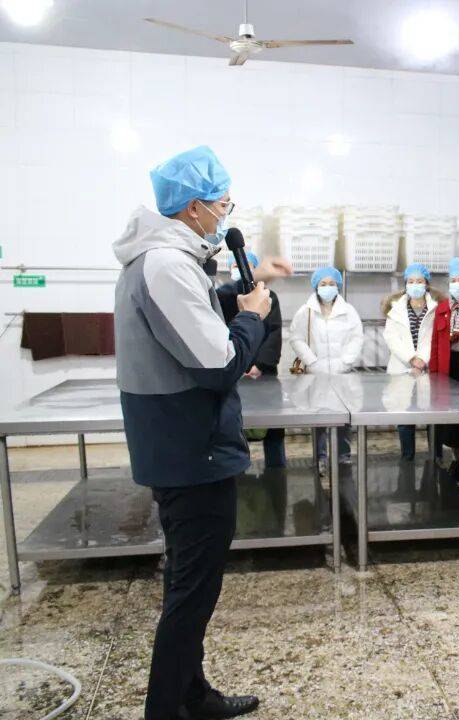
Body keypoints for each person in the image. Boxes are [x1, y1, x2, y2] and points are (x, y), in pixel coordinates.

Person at [114, 146, 291, 720]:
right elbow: (218, 364)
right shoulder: (165, 265)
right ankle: (166, 709)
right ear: (194, 208)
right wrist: (252, 315)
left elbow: (191, 312)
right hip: (190, 451)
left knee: (190, 585)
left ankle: (193, 696)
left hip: (182, 445)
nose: (225, 213)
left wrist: (241, 289)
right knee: (191, 594)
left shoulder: (163, 259)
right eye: (222, 203)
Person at [289, 266, 363, 473]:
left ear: (338, 286)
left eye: (331, 284)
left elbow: (357, 337)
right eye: (323, 284)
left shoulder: (349, 311)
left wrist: (345, 361)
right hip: (316, 373)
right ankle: (320, 457)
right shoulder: (306, 311)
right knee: (318, 417)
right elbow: (296, 338)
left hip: (342, 373)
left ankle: (343, 457)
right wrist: (312, 362)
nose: (328, 287)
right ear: (316, 286)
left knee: (344, 417)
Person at [218, 251, 286, 468]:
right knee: (236, 426)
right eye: (236, 265)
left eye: (247, 266)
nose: (240, 270)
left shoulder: (269, 297)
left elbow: (273, 333)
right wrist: (238, 365)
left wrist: (259, 364)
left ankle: (277, 469)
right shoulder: (225, 298)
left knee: (273, 426)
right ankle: (239, 471)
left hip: (263, 373)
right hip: (234, 371)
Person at [382, 263, 439, 460]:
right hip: (402, 367)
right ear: (405, 284)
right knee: (404, 414)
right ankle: (407, 455)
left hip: (427, 367)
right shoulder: (395, 308)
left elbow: (435, 337)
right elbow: (391, 337)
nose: (415, 285)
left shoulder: (436, 308)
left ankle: (436, 456)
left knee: (432, 414)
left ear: (427, 284)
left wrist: (422, 360)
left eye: (419, 281)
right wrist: (411, 358)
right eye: (411, 281)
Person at [429, 256, 459, 482]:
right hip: (449, 368)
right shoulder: (442, 308)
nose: (457, 284)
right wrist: (434, 373)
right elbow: (435, 343)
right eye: (454, 280)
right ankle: (457, 462)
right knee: (453, 420)